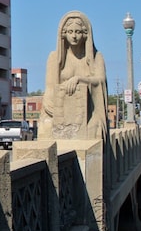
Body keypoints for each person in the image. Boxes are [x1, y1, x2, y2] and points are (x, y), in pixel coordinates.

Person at [41, 11, 109, 141]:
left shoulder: (96, 57)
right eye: (70, 32)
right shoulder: (54, 58)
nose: (74, 36)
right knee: (47, 127)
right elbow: (50, 89)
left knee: (95, 129)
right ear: (64, 33)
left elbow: (100, 81)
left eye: (77, 32)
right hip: (60, 111)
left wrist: (79, 79)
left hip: (88, 112)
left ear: (85, 34)